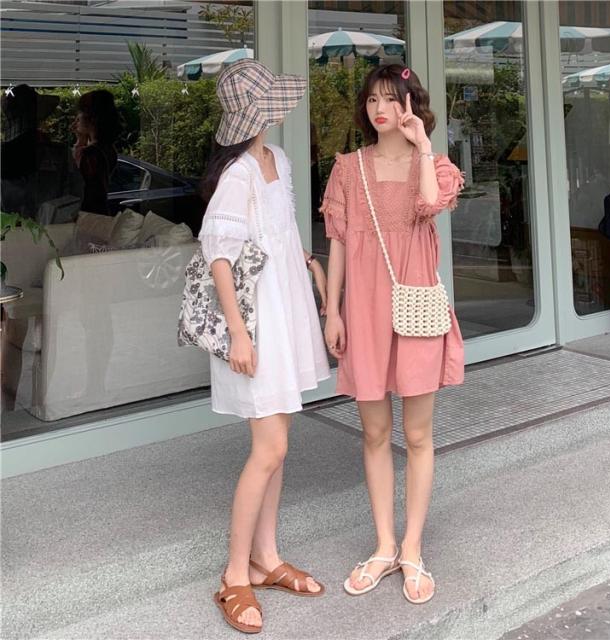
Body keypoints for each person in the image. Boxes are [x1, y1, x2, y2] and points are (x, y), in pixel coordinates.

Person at [321, 64, 465, 605]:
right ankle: (383, 545)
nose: (380, 109)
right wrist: (332, 311)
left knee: (418, 435)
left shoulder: (437, 166)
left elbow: (429, 205)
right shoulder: (347, 168)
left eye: (391, 99)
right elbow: (338, 242)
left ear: (410, 105)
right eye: (372, 100)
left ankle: (412, 548)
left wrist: (422, 146)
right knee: (375, 432)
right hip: (364, 309)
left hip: (415, 306)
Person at [199, 59, 330, 634]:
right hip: (255, 321)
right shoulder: (237, 175)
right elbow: (219, 256)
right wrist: (238, 332)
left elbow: (280, 234)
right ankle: (234, 575)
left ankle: (266, 558)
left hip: (285, 310)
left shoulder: (277, 160)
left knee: (279, 444)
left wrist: (310, 268)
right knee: (269, 447)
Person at [1, 84, 81, 219]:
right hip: (46, 230)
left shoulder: (59, 155)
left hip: (47, 230)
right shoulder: (59, 155)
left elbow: (74, 197)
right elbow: (75, 196)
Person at [72, 89, 119, 214]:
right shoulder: (108, 148)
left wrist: (79, 144)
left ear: (91, 119)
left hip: (88, 216)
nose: (74, 125)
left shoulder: (90, 154)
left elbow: (81, 188)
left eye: (78, 119)